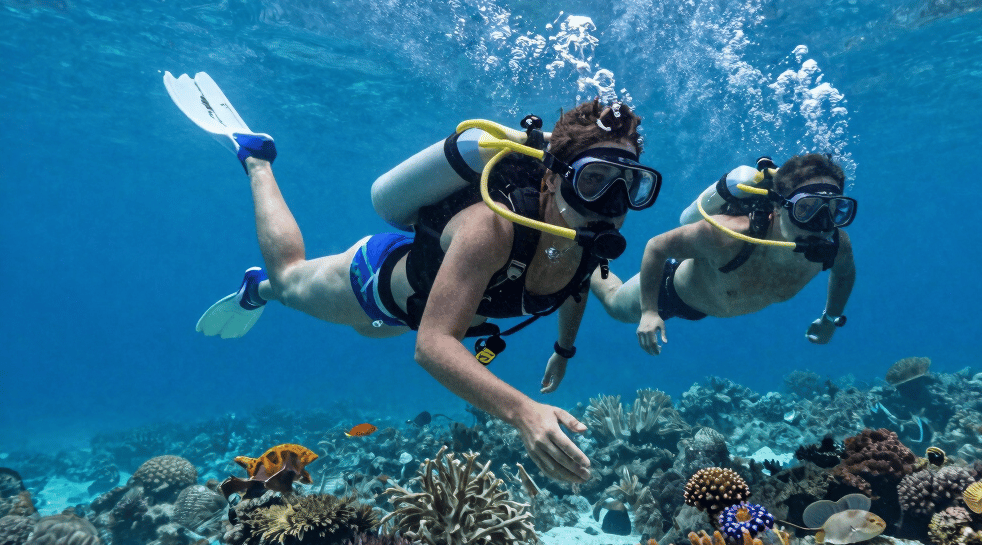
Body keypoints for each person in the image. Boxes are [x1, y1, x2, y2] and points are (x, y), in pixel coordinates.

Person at [164, 73, 663, 483]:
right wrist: (522, 412)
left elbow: (573, 285)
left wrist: (564, 349)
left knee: (367, 333)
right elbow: (432, 346)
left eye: (630, 185)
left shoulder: (585, 236)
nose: (614, 205)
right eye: (595, 180)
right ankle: (256, 166)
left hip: (415, 311)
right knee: (291, 280)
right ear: (553, 178)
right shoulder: (493, 229)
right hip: (374, 285)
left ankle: (269, 283)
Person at [587, 153, 856, 356]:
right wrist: (649, 311)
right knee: (613, 304)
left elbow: (845, 273)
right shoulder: (727, 235)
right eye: (806, 209)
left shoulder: (835, 244)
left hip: (713, 298)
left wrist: (830, 319)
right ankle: (591, 263)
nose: (822, 224)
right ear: (779, 205)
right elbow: (657, 246)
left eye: (834, 209)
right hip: (673, 293)